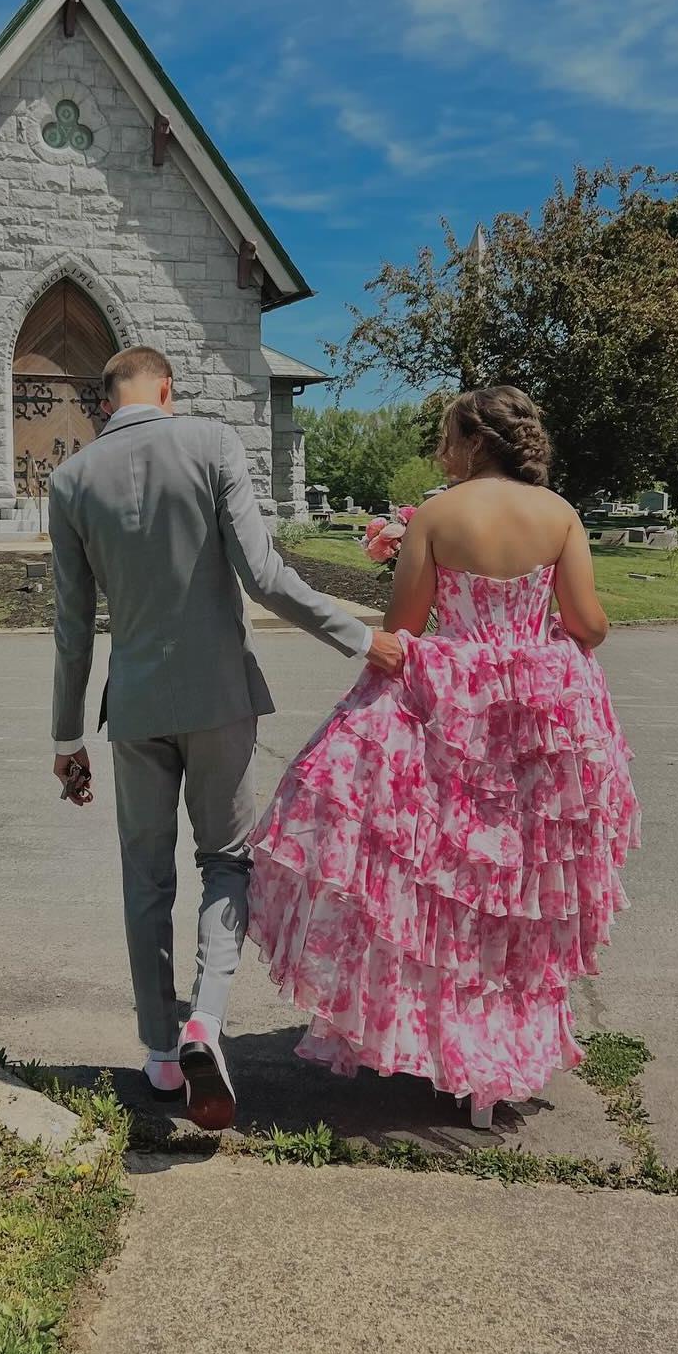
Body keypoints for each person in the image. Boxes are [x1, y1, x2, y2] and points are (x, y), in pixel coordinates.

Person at [247, 385, 639, 1128]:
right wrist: (535, 642)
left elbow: (404, 627)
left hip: (450, 709)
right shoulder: (559, 516)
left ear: (478, 442)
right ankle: (501, 1046)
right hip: (536, 725)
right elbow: (587, 624)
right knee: (517, 884)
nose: (440, 450)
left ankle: (441, 1039)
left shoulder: (437, 514)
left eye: (449, 437)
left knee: (444, 878)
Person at [49, 346, 403, 1130]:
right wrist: (359, 637)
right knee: (225, 862)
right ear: (166, 390)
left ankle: (162, 1051)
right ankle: (207, 1017)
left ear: (107, 403)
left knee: (146, 878)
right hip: (218, 700)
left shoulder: (69, 482)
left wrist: (66, 736)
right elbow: (265, 574)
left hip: (133, 711)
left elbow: (73, 627)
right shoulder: (210, 444)